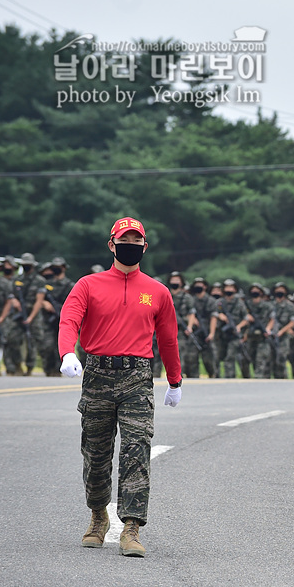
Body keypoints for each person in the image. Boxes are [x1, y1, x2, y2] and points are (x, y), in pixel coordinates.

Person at [57, 217, 182, 558]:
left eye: (136, 240)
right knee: (96, 454)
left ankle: (131, 526)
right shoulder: (88, 285)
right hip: (97, 375)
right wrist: (68, 351)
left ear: (144, 246)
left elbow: (168, 339)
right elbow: (69, 319)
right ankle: (98, 516)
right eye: (123, 239)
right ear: (111, 245)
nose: (130, 244)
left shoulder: (158, 292)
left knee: (137, 450)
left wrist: (174, 380)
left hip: (137, 378)